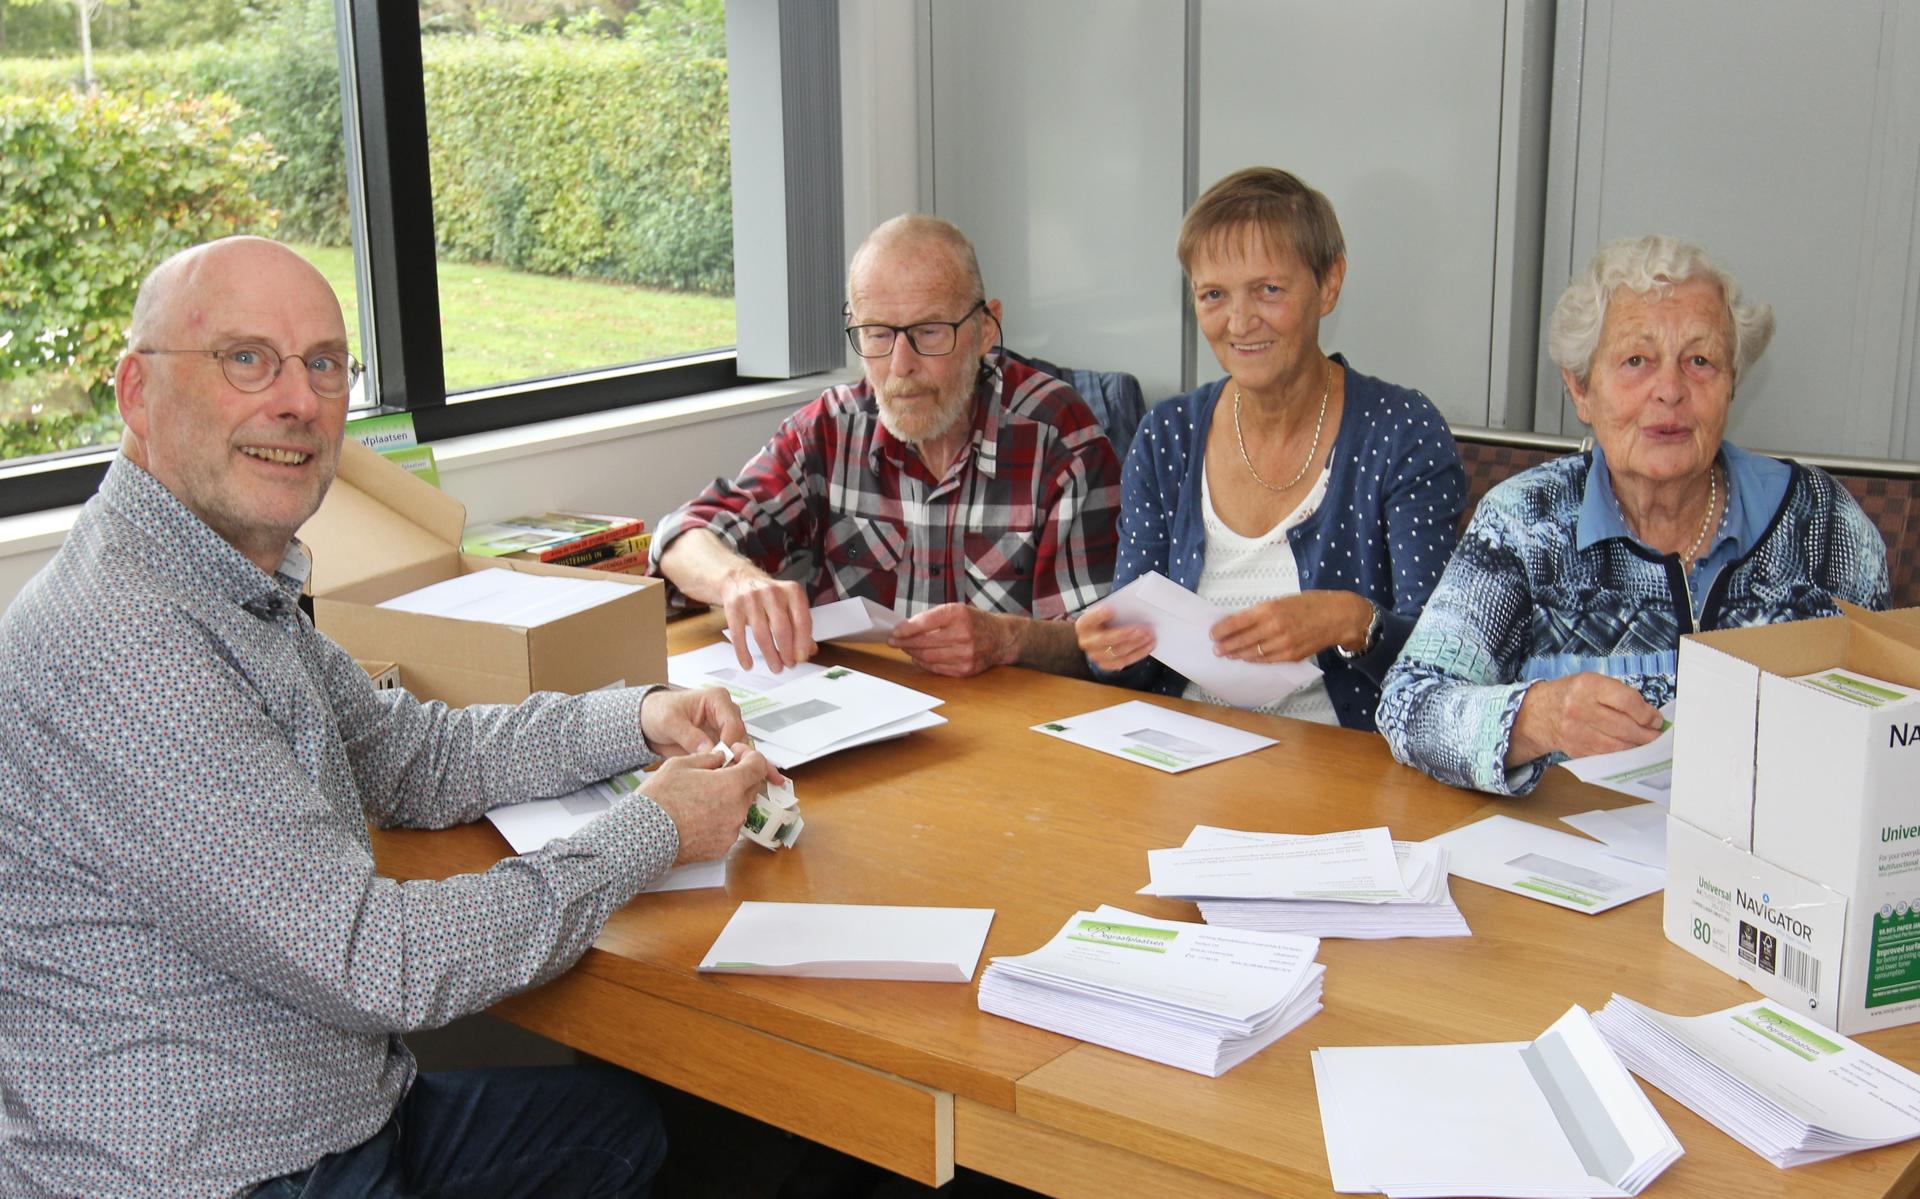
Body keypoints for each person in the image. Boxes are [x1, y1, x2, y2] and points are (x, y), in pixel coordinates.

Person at [0, 237, 778, 1199]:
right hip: (223, 1170)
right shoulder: (129, 647)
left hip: (331, 1106)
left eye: (323, 364)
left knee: (622, 1132)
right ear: (135, 393)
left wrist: (638, 718)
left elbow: (411, 755)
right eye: (247, 358)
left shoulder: (219, 576)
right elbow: (381, 964)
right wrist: (654, 827)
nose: (296, 401)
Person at [1378, 234, 1889, 794]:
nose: (1669, 390)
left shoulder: (1822, 524)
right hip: (1570, 860)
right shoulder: (1528, 521)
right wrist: (1538, 717)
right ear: (1580, 390)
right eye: (1636, 361)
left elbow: (1892, 724)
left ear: (1732, 385)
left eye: (1699, 361)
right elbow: (1411, 703)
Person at [1073, 167, 1465, 730]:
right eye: (1213, 295)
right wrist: (1107, 650)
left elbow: (1455, 666)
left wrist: (1354, 623)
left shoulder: (1400, 431)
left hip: (1343, 770)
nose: (1239, 322)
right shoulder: (1169, 436)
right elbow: (1135, 666)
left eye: (1269, 290)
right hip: (1182, 755)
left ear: (1329, 284)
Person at [651, 214, 1122, 679]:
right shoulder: (830, 429)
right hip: (858, 715)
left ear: (985, 329)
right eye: (877, 334)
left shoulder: (1059, 438)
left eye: (929, 332)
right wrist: (740, 581)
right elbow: (683, 534)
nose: (901, 365)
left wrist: (1007, 640)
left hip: (1013, 728)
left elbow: (1101, 645)